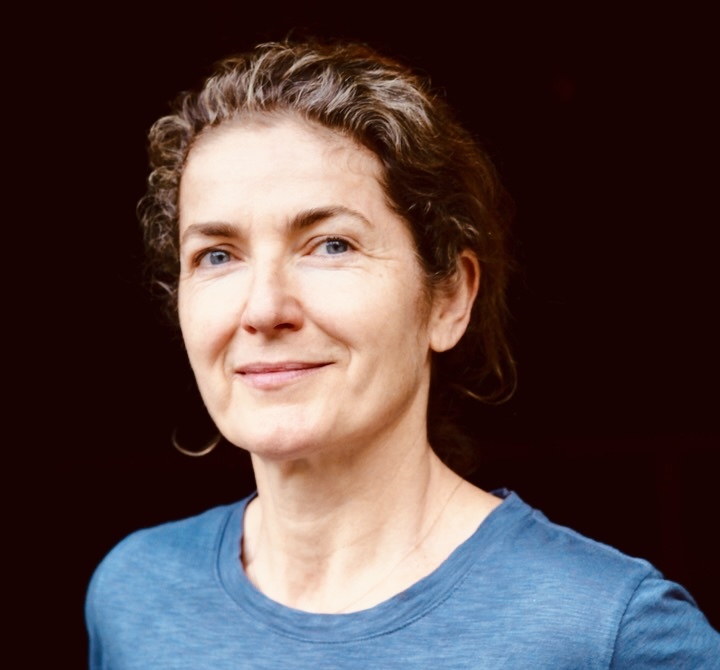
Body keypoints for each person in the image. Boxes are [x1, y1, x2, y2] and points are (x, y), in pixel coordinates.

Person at [86, 40, 719, 668]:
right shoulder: (136, 595)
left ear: (448, 299)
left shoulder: (606, 629)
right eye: (217, 255)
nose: (262, 309)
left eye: (330, 244)